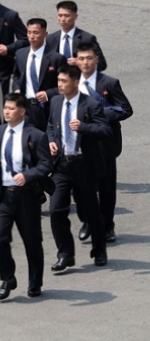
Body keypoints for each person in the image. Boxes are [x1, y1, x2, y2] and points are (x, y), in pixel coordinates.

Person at [0, 92, 53, 299]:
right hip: (2, 196)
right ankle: (8, 278)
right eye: (5, 107)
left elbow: (46, 164)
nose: (6, 112)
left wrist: (28, 176)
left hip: (26, 197)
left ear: (22, 112)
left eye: (11, 109)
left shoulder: (36, 136)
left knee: (32, 241)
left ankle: (35, 283)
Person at [47, 65, 112, 271]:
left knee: (91, 210)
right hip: (62, 165)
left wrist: (83, 127)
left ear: (75, 83)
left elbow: (105, 130)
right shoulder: (56, 102)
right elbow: (51, 125)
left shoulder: (91, 105)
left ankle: (99, 251)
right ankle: (65, 254)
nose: (59, 85)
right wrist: (51, 141)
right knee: (56, 210)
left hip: (85, 165)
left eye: (63, 81)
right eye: (58, 81)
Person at [74, 43, 133, 243]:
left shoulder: (109, 83)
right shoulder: (70, 83)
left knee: (106, 188)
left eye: (89, 58)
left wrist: (99, 114)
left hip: (105, 143)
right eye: (81, 58)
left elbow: (125, 109)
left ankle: (107, 226)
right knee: (81, 188)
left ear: (96, 60)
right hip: (79, 143)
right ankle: (88, 220)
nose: (85, 62)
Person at [12, 18, 67, 131]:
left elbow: (66, 85)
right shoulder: (21, 54)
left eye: (36, 33)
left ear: (45, 34)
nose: (32, 36)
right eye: (29, 32)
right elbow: (16, 75)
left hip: (47, 108)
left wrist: (48, 94)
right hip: (26, 107)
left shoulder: (56, 58)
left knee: (47, 138)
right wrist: (17, 89)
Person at [46, 1, 107, 72]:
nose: (63, 19)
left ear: (75, 16)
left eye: (67, 16)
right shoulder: (50, 39)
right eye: (60, 15)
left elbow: (101, 64)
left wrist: (80, 63)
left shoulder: (87, 38)